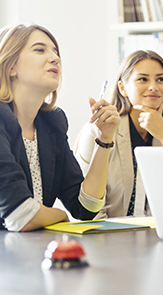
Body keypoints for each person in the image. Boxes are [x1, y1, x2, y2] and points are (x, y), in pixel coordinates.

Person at [0, 23, 120, 231]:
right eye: (40, 50)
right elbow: (19, 215)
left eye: (56, 52)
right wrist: (60, 215)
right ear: (11, 67)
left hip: (30, 253)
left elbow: (86, 208)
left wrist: (105, 139)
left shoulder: (52, 124)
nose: (55, 58)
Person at [75, 50, 163, 218]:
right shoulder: (98, 131)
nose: (154, 87)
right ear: (122, 88)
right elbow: (87, 207)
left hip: (157, 236)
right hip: (107, 236)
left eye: (161, 79)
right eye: (143, 79)